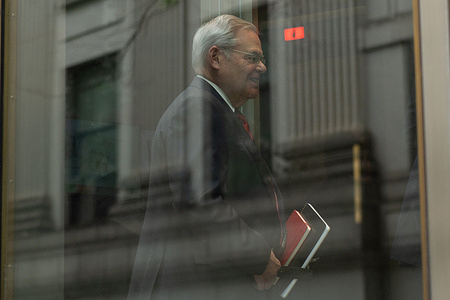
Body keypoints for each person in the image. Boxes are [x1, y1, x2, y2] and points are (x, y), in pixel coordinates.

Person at [128, 14, 287, 300]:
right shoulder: (195, 110)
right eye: (252, 57)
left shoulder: (212, 110)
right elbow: (200, 204)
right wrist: (258, 256)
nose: (262, 67)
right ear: (215, 57)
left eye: (261, 58)